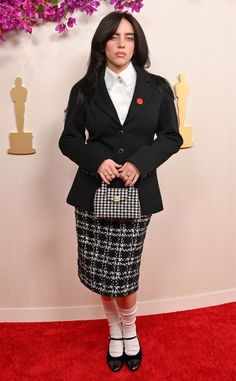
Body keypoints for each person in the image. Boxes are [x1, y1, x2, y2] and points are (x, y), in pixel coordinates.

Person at [59, 11, 183, 372]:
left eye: (129, 37)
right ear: (102, 43)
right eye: (114, 37)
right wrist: (97, 160)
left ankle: (130, 328)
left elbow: (172, 137)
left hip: (136, 194)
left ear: (137, 43)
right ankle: (114, 330)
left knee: (124, 273)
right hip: (92, 196)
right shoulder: (84, 89)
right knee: (101, 273)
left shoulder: (157, 87)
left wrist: (141, 163)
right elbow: (68, 139)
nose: (122, 44)